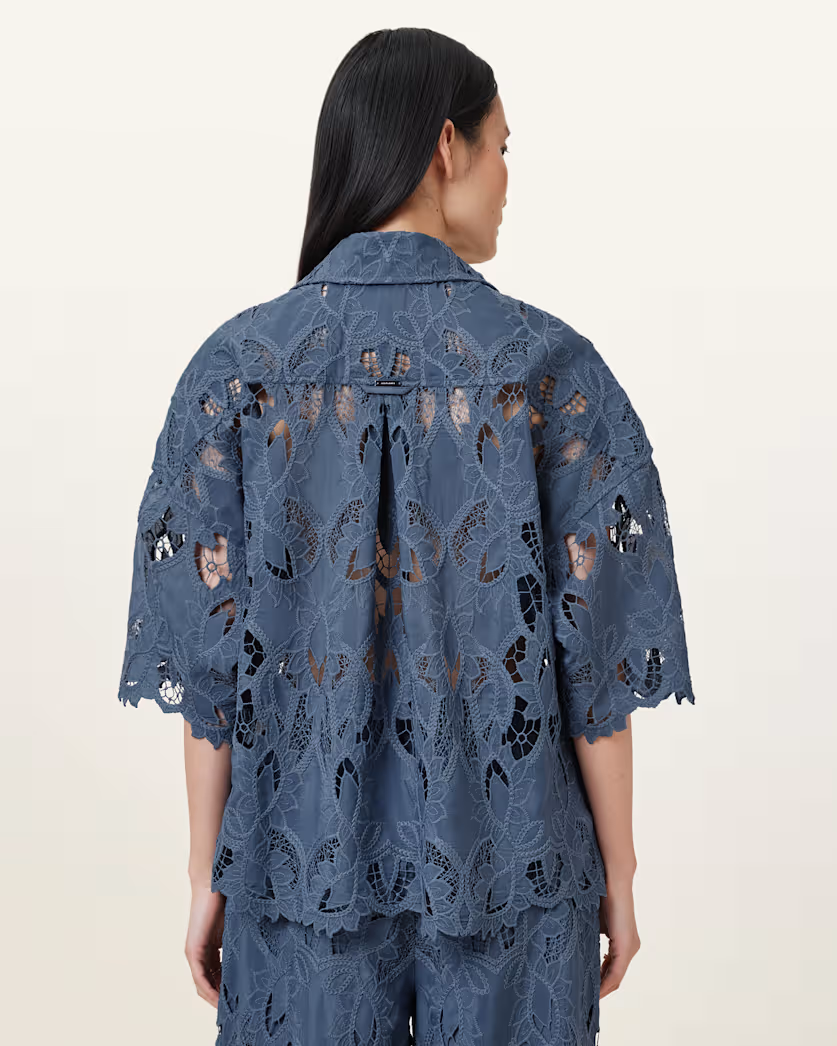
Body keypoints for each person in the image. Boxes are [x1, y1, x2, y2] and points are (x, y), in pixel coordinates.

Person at [117, 27, 696, 1046]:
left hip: (297, 871)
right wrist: (621, 868)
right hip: (517, 872)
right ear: (445, 146)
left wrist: (208, 873)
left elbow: (212, 670)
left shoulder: (236, 369)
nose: (508, 178)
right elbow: (594, 662)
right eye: (502, 147)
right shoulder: (547, 367)